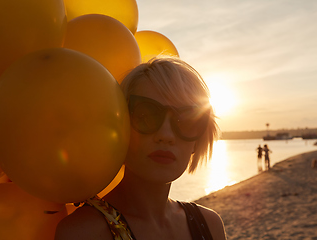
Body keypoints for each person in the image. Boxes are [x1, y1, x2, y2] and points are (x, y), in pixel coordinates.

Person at [55, 57, 227, 240]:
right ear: (121, 125)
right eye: (146, 115)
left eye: (187, 120)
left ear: (198, 141)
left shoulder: (209, 225)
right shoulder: (84, 232)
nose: (166, 135)